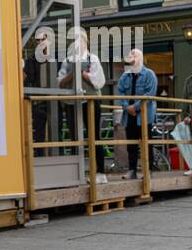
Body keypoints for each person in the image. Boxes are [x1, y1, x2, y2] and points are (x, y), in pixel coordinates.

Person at [57, 27, 107, 182]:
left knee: (94, 135)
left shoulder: (93, 59)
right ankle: (75, 173)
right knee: (73, 136)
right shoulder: (67, 61)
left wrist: (83, 73)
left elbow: (99, 81)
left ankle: (100, 172)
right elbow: (59, 82)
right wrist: (73, 73)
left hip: (90, 102)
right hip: (72, 102)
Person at [116, 48, 157, 181]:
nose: (132, 57)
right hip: (129, 116)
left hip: (144, 116)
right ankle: (132, 170)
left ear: (141, 58)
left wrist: (135, 107)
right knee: (131, 144)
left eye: (135, 54)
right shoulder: (124, 76)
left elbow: (150, 94)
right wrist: (127, 107)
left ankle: (148, 170)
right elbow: (120, 92)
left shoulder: (149, 74)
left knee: (147, 143)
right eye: (130, 55)